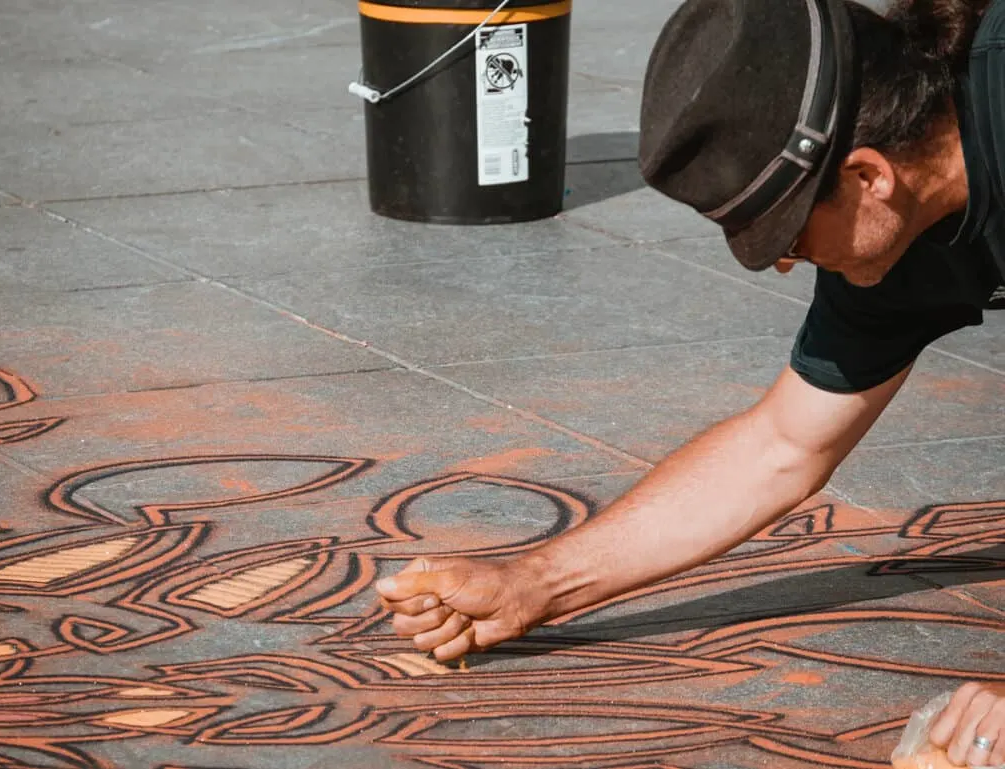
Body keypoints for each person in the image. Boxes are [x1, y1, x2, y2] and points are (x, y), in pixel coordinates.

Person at [377, 0, 1005, 765]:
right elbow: (781, 446)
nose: (784, 263)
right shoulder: (895, 233)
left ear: (868, 175)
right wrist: (534, 582)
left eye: (790, 235)